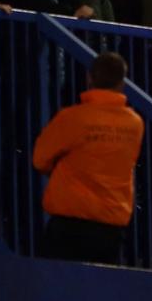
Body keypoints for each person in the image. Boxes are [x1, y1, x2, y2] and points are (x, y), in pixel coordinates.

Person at [32, 52, 145, 265]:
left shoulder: (72, 117)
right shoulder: (135, 124)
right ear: (122, 82)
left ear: (89, 78)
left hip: (69, 224)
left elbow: (40, 159)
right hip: (111, 225)